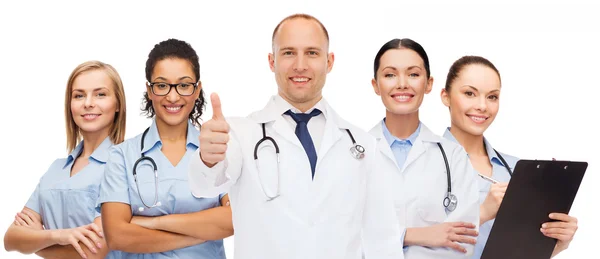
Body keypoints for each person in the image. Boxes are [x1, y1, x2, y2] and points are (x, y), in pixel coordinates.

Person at [187, 14, 404, 259]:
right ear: (272, 61)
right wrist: (208, 158)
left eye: (312, 53)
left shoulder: (362, 145)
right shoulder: (240, 134)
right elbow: (204, 186)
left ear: (329, 61)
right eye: (289, 53)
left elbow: (382, 239)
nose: (300, 65)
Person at [97, 38, 233, 259]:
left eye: (184, 85)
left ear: (197, 90)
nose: (172, 96)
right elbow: (118, 236)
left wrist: (155, 222)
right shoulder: (122, 156)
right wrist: (202, 233)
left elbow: (235, 218)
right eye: (161, 85)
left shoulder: (219, 149)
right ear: (149, 91)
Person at [440, 55, 579, 258]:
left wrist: (555, 243)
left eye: (492, 97)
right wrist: (482, 213)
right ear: (445, 96)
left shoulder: (516, 170)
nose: (482, 106)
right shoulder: (420, 163)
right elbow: (403, 244)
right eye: (469, 93)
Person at [368, 38, 479, 258]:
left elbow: (463, 243)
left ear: (428, 84)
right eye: (390, 74)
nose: (402, 83)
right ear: (376, 85)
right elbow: (344, 238)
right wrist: (415, 235)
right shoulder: (355, 153)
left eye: (413, 74)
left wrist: (386, 240)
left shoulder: (453, 157)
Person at [4, 60, 126, 259]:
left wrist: (36, 242)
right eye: (79, 95)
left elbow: (92, 250)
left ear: (118, 104)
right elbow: (10, 239)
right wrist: (59, 235)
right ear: (70, 105)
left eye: (100, 94)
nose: (88, 103)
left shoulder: (124, 166)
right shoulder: (56, 169)